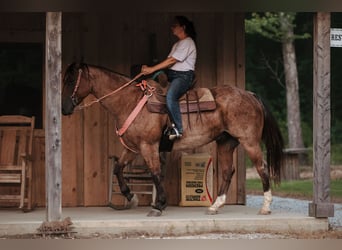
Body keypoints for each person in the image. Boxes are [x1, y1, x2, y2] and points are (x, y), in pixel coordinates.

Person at [141, 15, 197, 140]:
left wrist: (151, 69)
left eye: (174, 25)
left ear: (183, 27)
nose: (172, 28)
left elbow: (171, 61)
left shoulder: (188, 42)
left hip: (183, 77)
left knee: (171, 96)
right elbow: (168, 62)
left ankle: (178, 129)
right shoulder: (178, 44)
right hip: (172, 75)